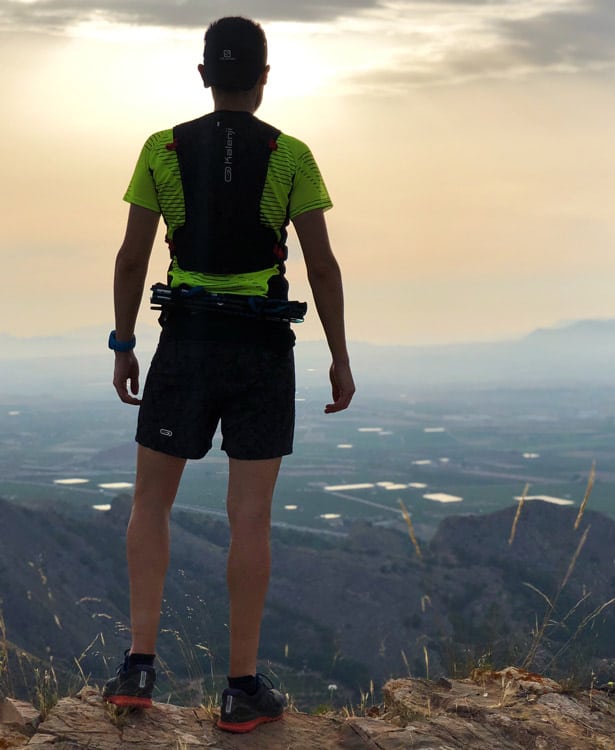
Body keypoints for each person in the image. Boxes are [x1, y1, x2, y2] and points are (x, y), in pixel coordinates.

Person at [102, 16, 355, 734]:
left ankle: (138, 668)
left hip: (184, 342)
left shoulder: (162, 148)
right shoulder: (291, 154)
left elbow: (130, 259)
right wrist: (338, 353)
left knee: (150, 503)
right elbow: (322, 266)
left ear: (204, 75)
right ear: (265, 78)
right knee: (251, 517)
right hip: (261, 350)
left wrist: (124, 343)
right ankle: (242, 688)